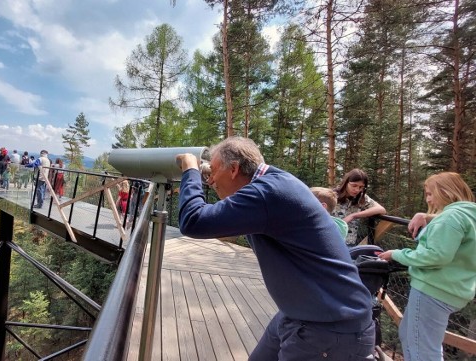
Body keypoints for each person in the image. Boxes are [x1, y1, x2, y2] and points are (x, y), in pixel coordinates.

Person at [176, 136, 374, 360]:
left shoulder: (267, 192)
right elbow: (219, 226)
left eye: (212, 171)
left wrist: (190, 171)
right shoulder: (274, 183)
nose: (210, 180)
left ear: (234, 169)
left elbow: (193, 221)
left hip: (330, 328)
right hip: (302, 314)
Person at [378, 172, 476, 361]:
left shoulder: (450, 218)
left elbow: (436, 256)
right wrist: (426, 216)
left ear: (445, 192)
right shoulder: (468, 214)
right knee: (416, 337)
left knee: (420, 349)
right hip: (454, 289)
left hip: (433, 289)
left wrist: (397, 254)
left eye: (431, 194)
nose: (428, 199)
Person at [332, 168, 387, 246]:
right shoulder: (331, 195)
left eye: (361, 187)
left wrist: (354, 215)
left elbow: (381, 209)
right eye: (354, 185)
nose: (357, 190)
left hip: (349, 244)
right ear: (346, 182)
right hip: (330, 241)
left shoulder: (361, 198)